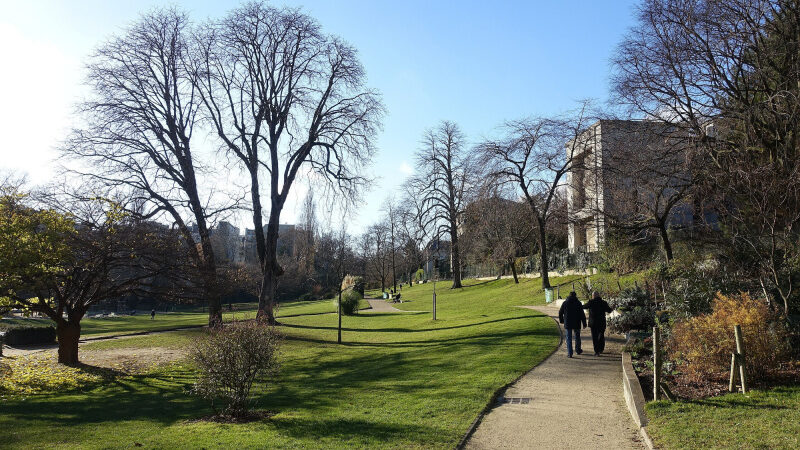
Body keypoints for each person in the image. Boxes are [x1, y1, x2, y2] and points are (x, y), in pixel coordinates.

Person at [583, 291, 614, 356]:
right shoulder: (603, 303)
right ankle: (601, 349)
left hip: (593, 322)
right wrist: (612, 308)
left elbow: (584, 306)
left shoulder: (591, 302)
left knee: (594, 337)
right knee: (601, 335)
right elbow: (609, 310)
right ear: (599, 295)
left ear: (593, 296)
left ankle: (596, 351)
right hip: (601, 322)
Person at [558, 291, 586, 358]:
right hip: (576, 322)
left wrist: (561, 320)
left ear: (569, 295)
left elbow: (560, 312)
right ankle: (578, 350)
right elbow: (582, 314)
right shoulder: (578, 303)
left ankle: (570, 353)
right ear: (575, 296)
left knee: (568, 338)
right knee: (577, 337)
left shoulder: (565, 303)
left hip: (568, 322)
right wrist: (584, 323)